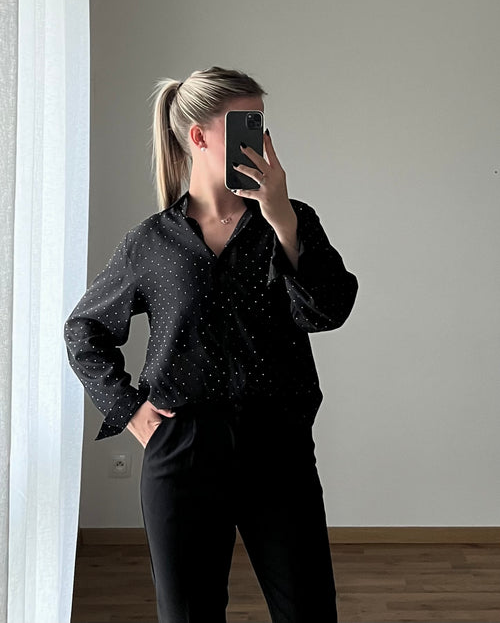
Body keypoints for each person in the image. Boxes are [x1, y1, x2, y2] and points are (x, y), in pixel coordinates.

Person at [64, 65, 358, 623]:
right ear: (198, 136)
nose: (261, 139)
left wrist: (283, 221)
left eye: (262, 124)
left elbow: (328, 311)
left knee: (309, 611)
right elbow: (85, 328)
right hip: (184, 450)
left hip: (277, 445)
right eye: (246, 124)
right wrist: (130, 410)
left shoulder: (292, 221)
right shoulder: (152, 241)